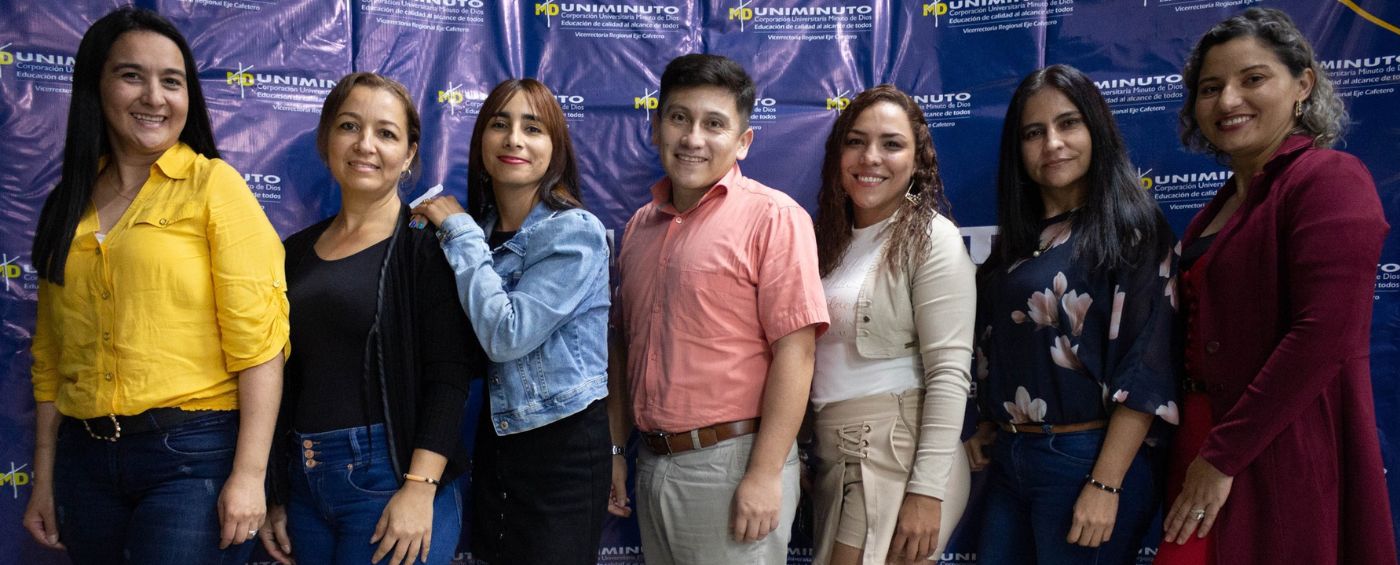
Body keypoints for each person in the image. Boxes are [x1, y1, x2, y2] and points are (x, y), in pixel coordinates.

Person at [23, 6, 288, 564]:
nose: (155, 96)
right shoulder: (68, 204)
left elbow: (260, 344)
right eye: (131, 75)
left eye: (172, 81)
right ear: (96, 86)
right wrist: (44, 478)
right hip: (84, 462)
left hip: (191, 457)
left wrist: (249, 476)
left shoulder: (215, 186)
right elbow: (51, 358)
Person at [1156, 8, 1398, 565]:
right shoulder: (1214, 211)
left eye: (1253, 78)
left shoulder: (1330, 179)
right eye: (1211, 87)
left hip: (1274, 443)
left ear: (1302, 85)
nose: (1228, 100)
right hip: (1200, 434)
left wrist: (1222, 457)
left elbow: (1323, 337)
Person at [609, 53, 830, 565]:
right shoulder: (639, 229)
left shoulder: (774, 218)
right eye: (678, 117)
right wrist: (619, 452)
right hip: (651, 464)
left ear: (743, 141)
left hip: (732, 466)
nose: (692, 138)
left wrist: (763, 473)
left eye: (714, 124)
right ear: (656, 125)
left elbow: (796, 355)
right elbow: (620, 349)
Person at [964, 64, 1178, 565]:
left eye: (1068, 124)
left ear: (1096, 131)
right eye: (1034, 133)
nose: (1052, 143)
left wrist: (1106, 482)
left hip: (1087, 460)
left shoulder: (1133, 229)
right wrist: (986, 423)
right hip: (1013, 460)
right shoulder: (1018, 244)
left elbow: (1147, 367)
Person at [262, 72, 478, 565]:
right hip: (305, 484)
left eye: (386, 133)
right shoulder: (292, 253)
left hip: (394, 477)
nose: (365, 145)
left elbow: (449, 377)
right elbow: (280, 380)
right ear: (326, 141)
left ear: (408, 156)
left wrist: (420, 488)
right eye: (349, 126)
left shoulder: (426, 246)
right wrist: (276, 488)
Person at [411, 78, 612, 565]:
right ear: (481, 142)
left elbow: (506, 334)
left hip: (562, 446)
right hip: (497, 442)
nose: (514, 139)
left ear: (555, 149)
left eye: (533, 127)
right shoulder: (477, 234)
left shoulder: (574, 231)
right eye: (500, 124)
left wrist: (455, 229)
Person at [808, 85, 974, 565]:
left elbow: (948, 374)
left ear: (917, 159)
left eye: (891, 144)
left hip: (894, 451)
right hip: (835, 455)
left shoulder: (931, 238)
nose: (871, 157)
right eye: (856, 141)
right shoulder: (829, 241)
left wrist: (926, 492)